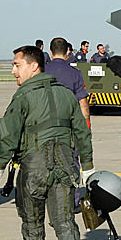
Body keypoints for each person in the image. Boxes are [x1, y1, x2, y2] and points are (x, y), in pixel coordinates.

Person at [0, 45, 94, 240]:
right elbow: (82, 131)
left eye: (17, 65)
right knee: (65, 223)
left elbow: (10, 135)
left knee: (32, 222)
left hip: (34, 169)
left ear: (34, 66)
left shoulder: (23, 96)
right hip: (65, 167)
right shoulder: (66, 95)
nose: (14, 71)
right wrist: (88, 166)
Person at [45, 37, 91, 211]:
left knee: (46, 162)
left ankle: (50, 200)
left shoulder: (42, 71)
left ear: (51, 52)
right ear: (67, 52)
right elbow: (82, 102)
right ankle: (72, 200)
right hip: (69, 126)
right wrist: (86, 126)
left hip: (45, 125)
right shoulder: (75, 73)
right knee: (72, 162)